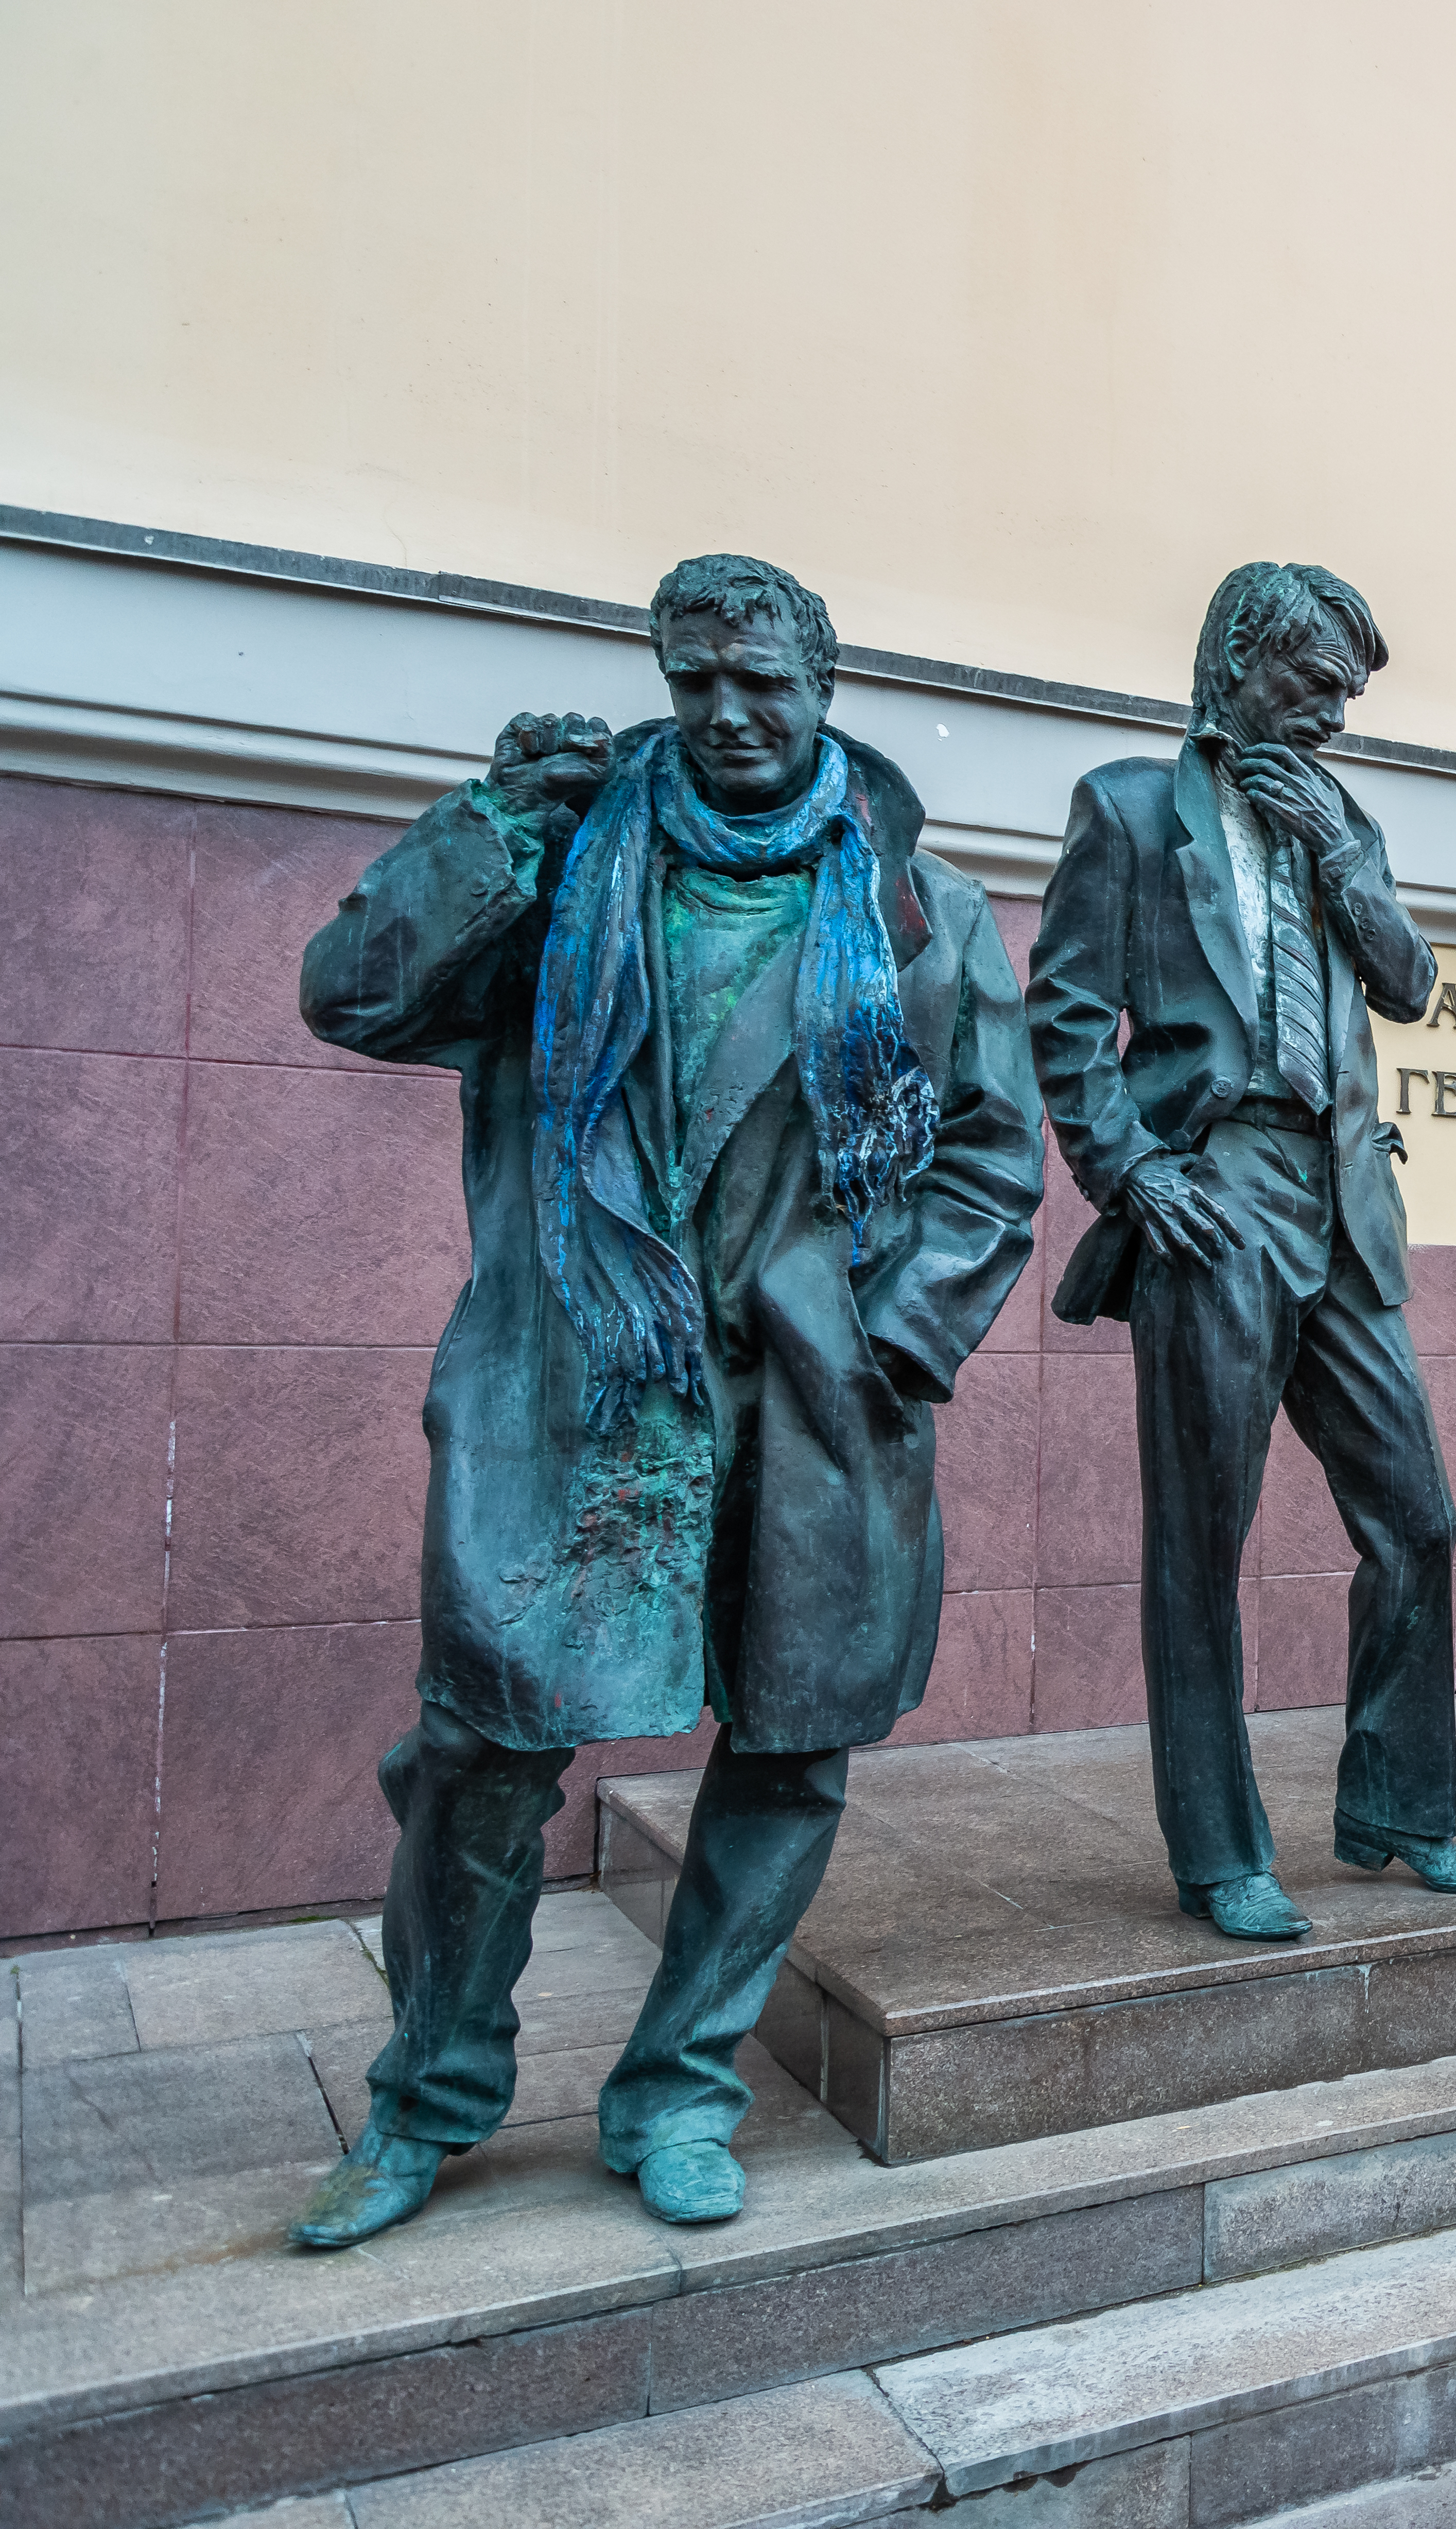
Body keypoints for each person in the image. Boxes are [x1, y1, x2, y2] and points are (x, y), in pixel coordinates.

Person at [291, 555, 1043, 2244]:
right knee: (486, 1749)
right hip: (579, 1377)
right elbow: (351, 995)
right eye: (696, 677)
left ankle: (682, 2084)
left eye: (762, 678)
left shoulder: (921, 909)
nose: (729, 710)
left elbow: (996, 1159)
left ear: (822, 683)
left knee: (788, 1750)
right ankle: (429, 2091)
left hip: (811, 1401)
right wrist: (483, 827)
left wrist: (892, 1342)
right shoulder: (561, 865)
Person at [1025, 563, 1456, 1941]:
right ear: (1234, 665)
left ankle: (1401, 1813)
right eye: (1313, 689)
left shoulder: (1340, 822)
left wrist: (1350, 865)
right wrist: (1131, 1173)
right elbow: (1062, 1024)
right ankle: (1222, 1851)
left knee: (1417, 1514)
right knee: (1204, 1541)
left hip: (1343, 1198)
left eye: (1348, 697)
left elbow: (1411, 986)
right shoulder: (1129, 811)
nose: (1336, 720)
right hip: (1215, 1185)